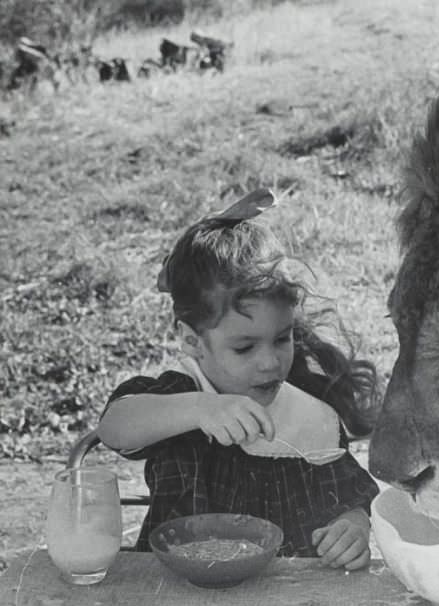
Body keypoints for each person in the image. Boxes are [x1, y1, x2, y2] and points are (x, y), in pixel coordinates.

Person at [97, 189, 381, 571]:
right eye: (245, 348)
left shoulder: (310, 415)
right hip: (174, 597)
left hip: (283, 602)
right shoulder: (184, 394)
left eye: (282, 338)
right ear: (192, 342)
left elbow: (351, 500)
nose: (270, 363)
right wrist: (201, 408)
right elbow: (114, 428)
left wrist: (352, 529)